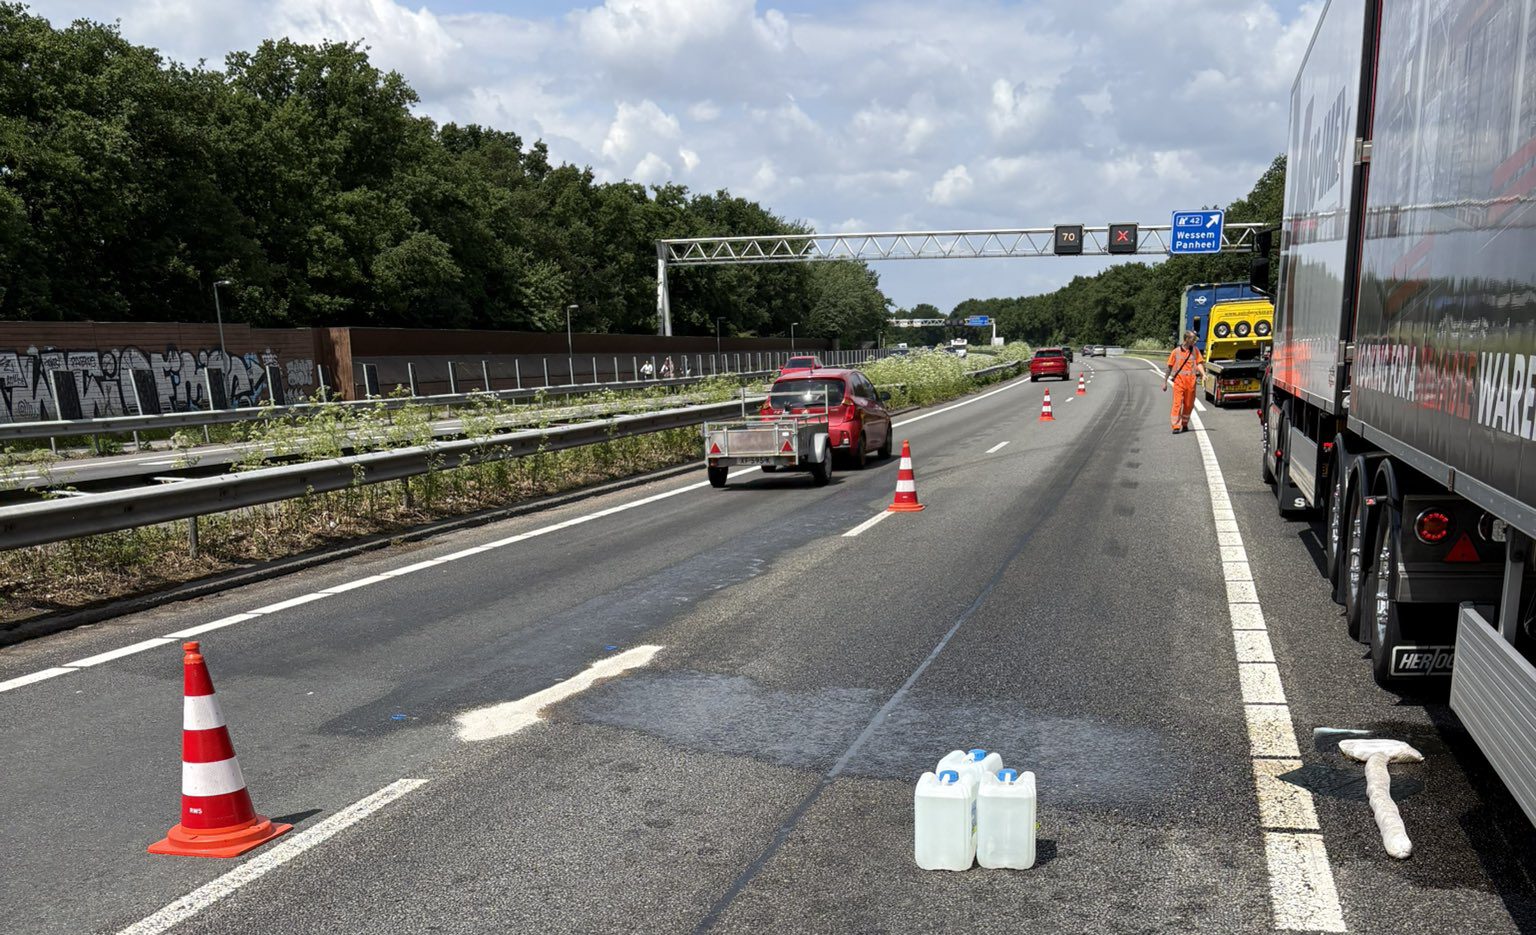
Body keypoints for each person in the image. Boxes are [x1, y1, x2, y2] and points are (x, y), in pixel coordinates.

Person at [1163, 330, 1206, 433]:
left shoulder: (1195, 350)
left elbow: (1199, 363)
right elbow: (1169, 367)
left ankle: (1185, 423)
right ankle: (1176, 426)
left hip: (1191, 382)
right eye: (1192, 339)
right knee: (1177, 403)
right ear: (1186, 339)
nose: (1194, 341)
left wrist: (1203, 374)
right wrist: (1165, 382)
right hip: (1179, 382)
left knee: (1188, 404)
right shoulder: (1176, 352)